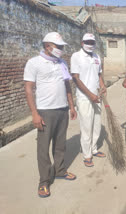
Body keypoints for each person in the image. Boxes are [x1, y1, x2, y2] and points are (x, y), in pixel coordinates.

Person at [24, 32, 77, 198]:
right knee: (43, 148)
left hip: (62, 110)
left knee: (60, 144)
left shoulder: (61, 63)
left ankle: (60, 170)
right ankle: (44, 181)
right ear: (48, 46)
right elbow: (28, 89)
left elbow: (67, 85)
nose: (61, 49)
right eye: (58, 46)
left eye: (62, 46)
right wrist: (34, 113)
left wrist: (71, 105)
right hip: (45, 111)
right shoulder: (34, 63)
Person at [71, 33, 107, 167]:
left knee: (96, 125)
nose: (90, 45)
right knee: (86, 127)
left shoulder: (97, 57)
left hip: (97, 97)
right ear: (82, 43)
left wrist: (103, 86)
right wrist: (90, 94)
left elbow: (99, 74)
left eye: (92, 42)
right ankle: (87, 155)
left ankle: (94, 149)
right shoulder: (76, 56)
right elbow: (75, 77)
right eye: (87, 42)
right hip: (84, 98)